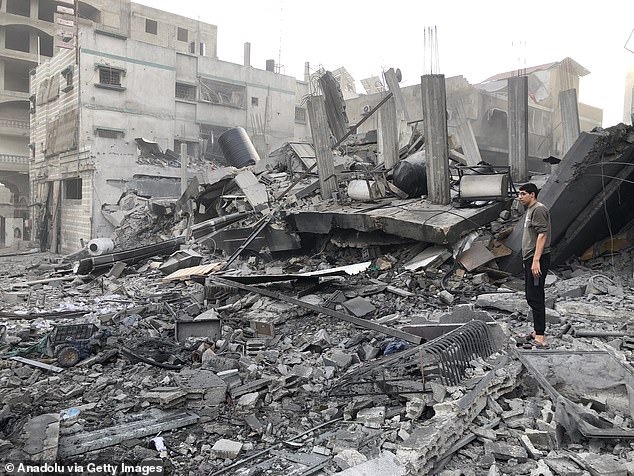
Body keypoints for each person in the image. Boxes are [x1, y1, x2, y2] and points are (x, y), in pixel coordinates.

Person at [518, 183, 551, 348]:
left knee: (535, 296)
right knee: (531, 294)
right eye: (519, 194)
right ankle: (538, 331)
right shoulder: (530, 210)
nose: (520, 197)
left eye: (523, 194)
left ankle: (540, 336)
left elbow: (542, 235)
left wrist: (536, 260)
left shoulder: (538, 209)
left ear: (532, 194)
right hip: (531, 258)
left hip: (537, 259)